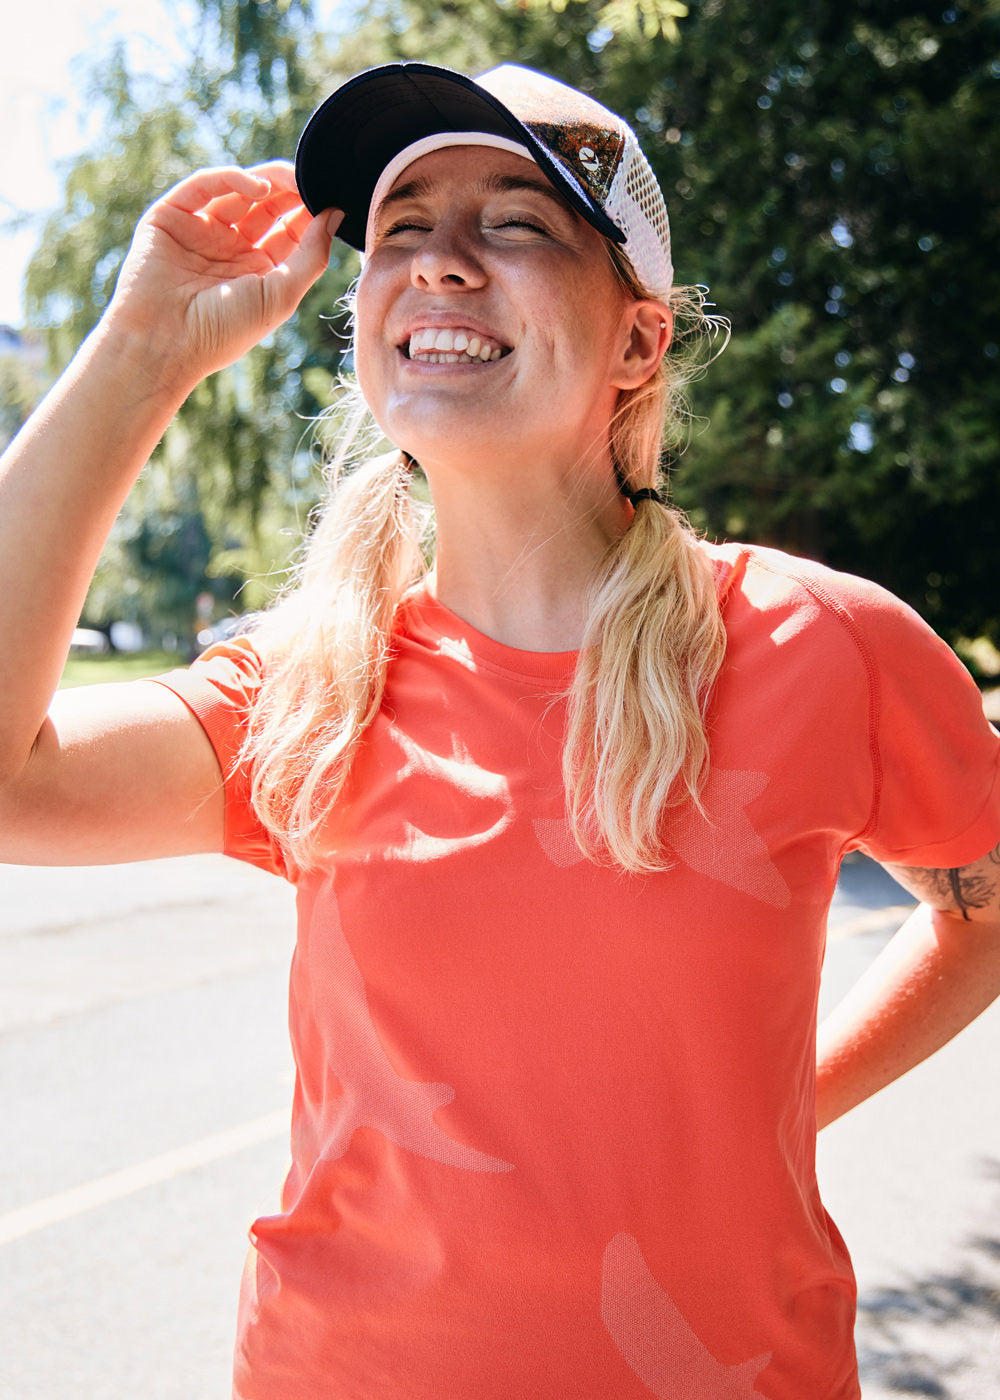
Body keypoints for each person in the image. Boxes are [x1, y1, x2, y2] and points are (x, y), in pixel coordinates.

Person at [1, 59, 999, 1400]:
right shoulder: (308, 686)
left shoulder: (824, 643)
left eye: (515, 222)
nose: (440, 264)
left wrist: (790, 1108)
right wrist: (138, 354)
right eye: (400, 230)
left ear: (639, 340)